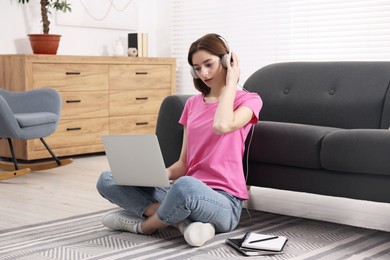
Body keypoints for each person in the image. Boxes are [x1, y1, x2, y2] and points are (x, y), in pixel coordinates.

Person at [96, 33, 262, 247]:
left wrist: (231, 83)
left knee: (185, 187)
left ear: (226, 61)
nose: (203, 73)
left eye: (209, 64)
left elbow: (222, 125)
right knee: (107, 179)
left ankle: (144, 226)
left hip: (222, 202)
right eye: (197, 68)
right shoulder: (192, 104)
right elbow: (184, 164)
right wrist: (155, 175)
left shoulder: (249, 100)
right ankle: (183, 224)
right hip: (181, 192)